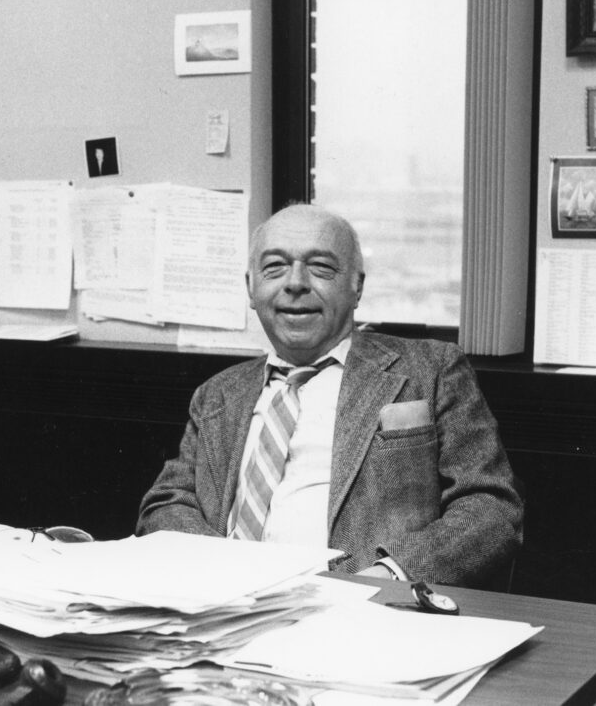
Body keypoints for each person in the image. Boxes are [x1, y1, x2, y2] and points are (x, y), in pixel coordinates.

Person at [136, 204, 523, 586]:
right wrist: (223, 571)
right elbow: (167, 502)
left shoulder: (431, 369)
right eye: (275, 267)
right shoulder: (219, 394)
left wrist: (387, 576)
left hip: (366, 611)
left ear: (357, 286)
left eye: (320, 267)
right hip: (229, 607)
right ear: (251, 289)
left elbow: (490, 509)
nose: (296, 283)